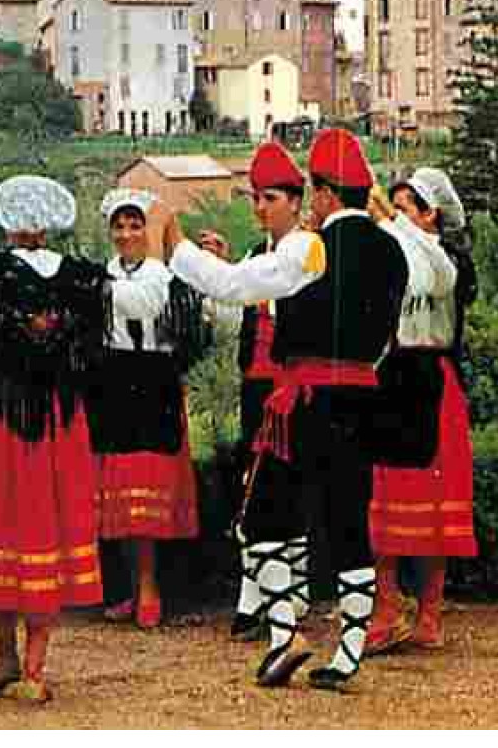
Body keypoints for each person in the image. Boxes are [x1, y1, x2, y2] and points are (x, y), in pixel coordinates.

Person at [163, 128, 407, 692]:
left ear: (321, 194)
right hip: (362, 397)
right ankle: (347, 652)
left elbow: (231, 285)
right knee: (349, 522)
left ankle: (283, 634)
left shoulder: (309, 247)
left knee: (262, 521)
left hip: (304, 400)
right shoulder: (393, 249)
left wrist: (174, 244)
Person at [0, 175, 111, 703]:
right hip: (56, 421)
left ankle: (15, 659)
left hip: (2, 417)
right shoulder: (82, 280)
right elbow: (91, 350)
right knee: (43, 528)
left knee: (4, 526)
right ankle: (27, 663)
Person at [195, 143, 319, 642]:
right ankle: (259, 590)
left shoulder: (310, 252)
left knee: (285, 488)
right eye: (256, 199)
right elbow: (232, 320)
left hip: (294, 388)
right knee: (252, 485)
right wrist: (218, 274)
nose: (261, 208)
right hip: (255, 386)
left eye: (270, 198)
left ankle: (291, 593)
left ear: (295, 201)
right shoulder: (252, 256)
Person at [365, 167, 478, 654]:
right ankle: (385, 607)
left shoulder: (448, 261)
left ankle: (430, 612)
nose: (397, 216)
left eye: (408, 206)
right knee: (382, 499)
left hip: (432, 379)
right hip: (392, 378)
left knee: (434, 505)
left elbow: (430, 276)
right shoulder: (395, 257)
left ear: (431, 214)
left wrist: (393, 222)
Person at [87, 188, 203, 629]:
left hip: (155, 379)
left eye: (135, 225)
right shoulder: (104, 275)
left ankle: (149, 585)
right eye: (119, 225)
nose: (126, 233)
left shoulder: (163, 277)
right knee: (118, 485)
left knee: (148, 483)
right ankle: (127, 588)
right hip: (113, 378)